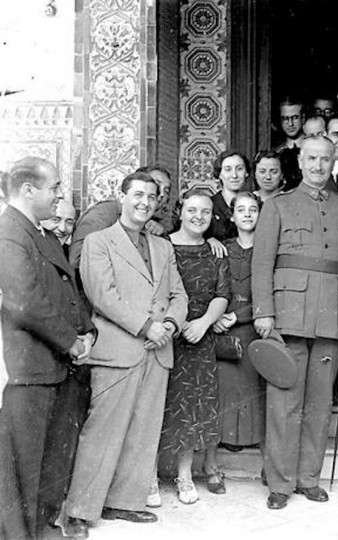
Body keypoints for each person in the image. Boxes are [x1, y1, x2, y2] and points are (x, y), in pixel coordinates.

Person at [62, 171, 188, 539]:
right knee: (102, 432)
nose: (145, 203)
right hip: (119, 350)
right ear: (121, 196)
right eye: (137, 195)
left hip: (158, 349)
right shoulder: (99, 242)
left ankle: (124, 501)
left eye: (152, 197)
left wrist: (169, 325)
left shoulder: (163, 247)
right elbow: (102, 295)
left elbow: (178, 295)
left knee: (143, 431)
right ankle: (80, 511)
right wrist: (145, 326)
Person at [252, 135, 338, 510]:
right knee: (284, 401)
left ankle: (308, 479)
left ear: (334, 162)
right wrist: (263, 312)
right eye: (312, 159)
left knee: (319, 402)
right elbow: (262, 263)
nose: (318, 166)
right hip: (287, 314)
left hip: (332, 315)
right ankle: (280, 483)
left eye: (325, 159)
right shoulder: (279, 206)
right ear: (299, 162)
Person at [0, 157, 94, 540]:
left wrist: (86, 332)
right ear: (28, 190)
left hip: (55, 365)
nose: (60, 195)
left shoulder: (40, 233)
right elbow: (25, 301)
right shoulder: (9, 233)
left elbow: (66, 292)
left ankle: (40, 526)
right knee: (23, 462)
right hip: (31, 368)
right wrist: (71, 341)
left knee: (49, 457)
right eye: (54, 187)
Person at [158, 189, 230, 505]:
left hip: (199, 337)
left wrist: (203, 323)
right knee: (158, 403)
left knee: (192, 405)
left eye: (205, 211)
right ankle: (149, 476)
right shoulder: (161, 246)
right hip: (166, 333)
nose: (198, 216)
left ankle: (184, 475)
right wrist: (175, 322)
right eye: (191, 210)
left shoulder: (215, 252)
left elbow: (222, 294)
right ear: (180, 211)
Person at [213, 192, 265, 452]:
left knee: (250, 381)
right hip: (223, 325)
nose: (247, 214)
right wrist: (218, 317)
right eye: (241, 210)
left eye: (253, 209)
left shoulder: (267, 249)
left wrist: (238, 316)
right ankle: (229, 437)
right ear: (231, 216)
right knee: (228, 383)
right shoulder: (222, 248)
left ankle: (249, 436)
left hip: (253, 324)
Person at [68, 165, 173, 269]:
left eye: (166, 190)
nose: (162, 193)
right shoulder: (104, 213)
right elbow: (78, 259)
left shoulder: (152, 224)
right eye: (156, 184)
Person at [207, 149, 252, 255]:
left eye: (239, 169)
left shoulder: (255, 205)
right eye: (228, 169)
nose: (234, 175)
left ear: (246, 173)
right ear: (219, 174)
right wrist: (208, 239)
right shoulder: (209, 205)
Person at [272, 97, 304, 191]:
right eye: (285, 119)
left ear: (303, 118)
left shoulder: (311, 149)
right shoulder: (275, 151)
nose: (290, 124)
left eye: (295, 118)